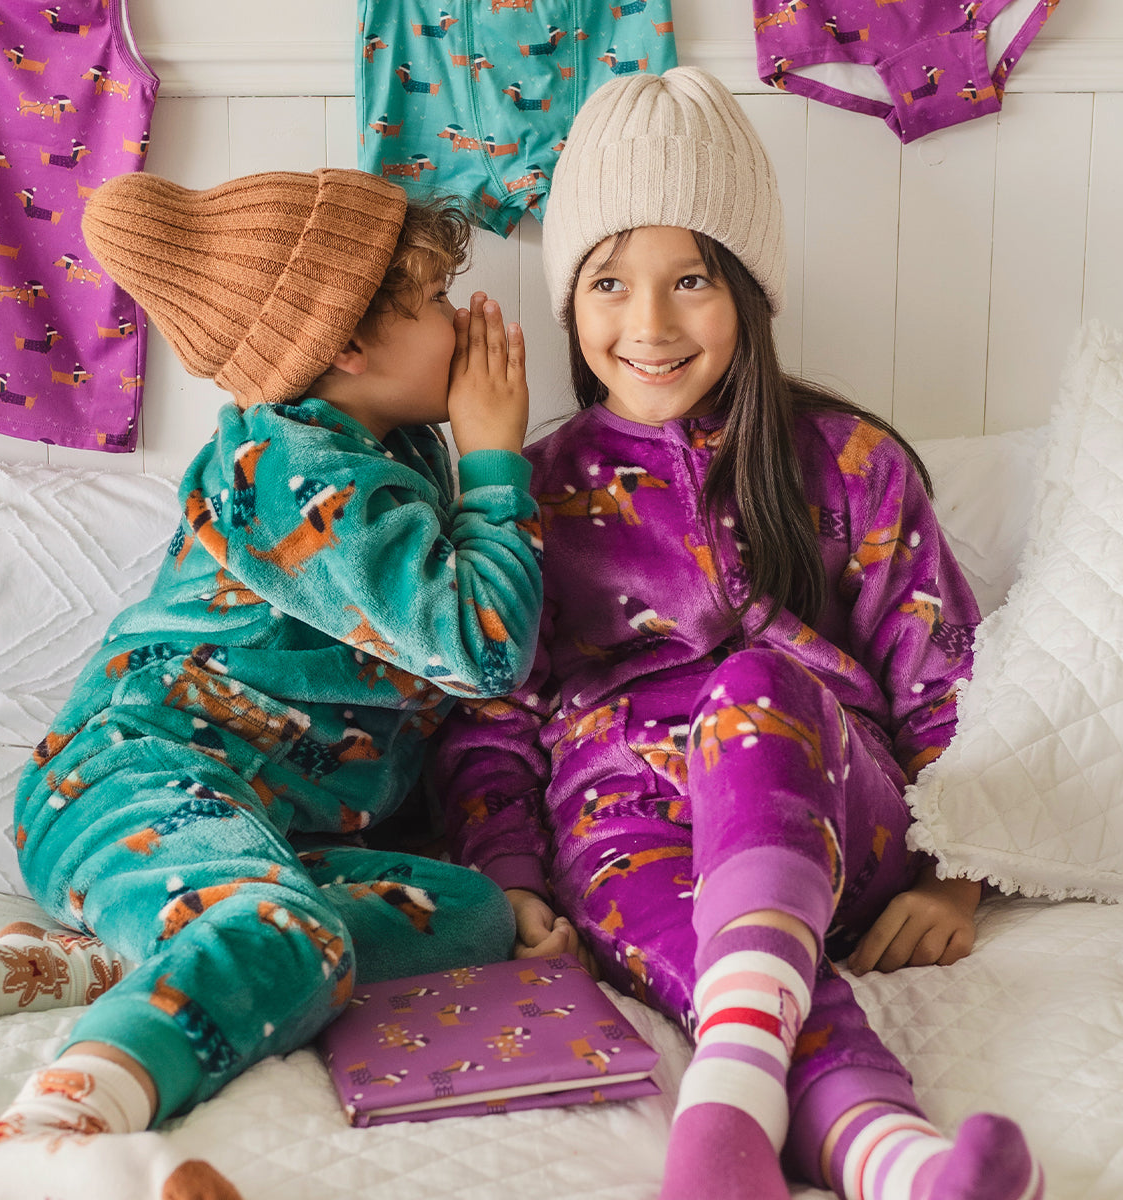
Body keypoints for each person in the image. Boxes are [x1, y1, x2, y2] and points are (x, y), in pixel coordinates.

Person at [433, 67, 1043, 1200]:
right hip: (625, 840)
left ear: (748, 293)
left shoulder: (850, 463)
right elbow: (490, 725)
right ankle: (898, 1165)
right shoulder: (534, 496)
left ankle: (722, 1110)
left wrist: (958, 878)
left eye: (692, 280)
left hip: (825, 809)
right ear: (572, 302)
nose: (649, 324)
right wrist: (510, 879)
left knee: (757, 679)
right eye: (610, 283)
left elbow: (946, 689)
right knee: (742, 986)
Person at [0, 167, 540, 1199]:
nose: (463, 319)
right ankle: (38, 1136)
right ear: (345, 340)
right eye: (433, 302)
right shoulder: (293, 472)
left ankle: (94, 964)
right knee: (282, 931)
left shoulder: (387, 449)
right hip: (131, 780)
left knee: (469, 915)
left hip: (246, 824)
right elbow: (479, 646)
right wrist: (495, 460)